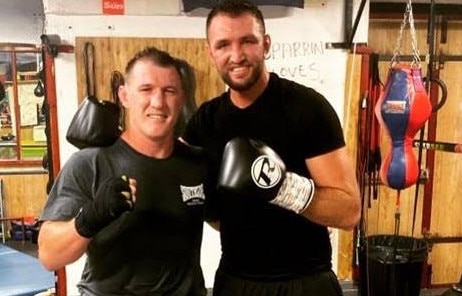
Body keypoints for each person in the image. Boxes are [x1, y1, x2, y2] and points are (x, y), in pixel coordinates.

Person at [181, 1, 361, 295]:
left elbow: (349, 211)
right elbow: (206, 207)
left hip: (306, 280)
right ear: (210, 52)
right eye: (223, 44)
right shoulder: (204, 122)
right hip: (236, 280)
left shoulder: (307, 109)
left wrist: (284, 188)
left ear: (265, 45)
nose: (236, 55)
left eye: (247, 41)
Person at [38, 46, 208, 296]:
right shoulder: (90, 163)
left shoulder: (198, 163)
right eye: (146, 89)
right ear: (124, 96)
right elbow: (49, 256)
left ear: (182, 98)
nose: (158, 102)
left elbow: (224, 221)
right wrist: (90, 218)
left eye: (169, 91)